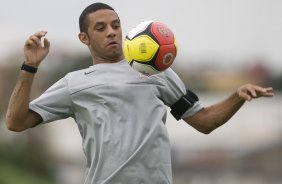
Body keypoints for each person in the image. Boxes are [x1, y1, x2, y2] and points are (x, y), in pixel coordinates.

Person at [5, 2, 273, 184]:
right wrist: (30, 66)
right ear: (84, 38)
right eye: (101, 28)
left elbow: (204, 122)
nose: (112, 32)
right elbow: (16, 123)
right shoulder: (74, 83)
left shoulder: (157, 71)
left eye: (116, 25)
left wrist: (237, 96)